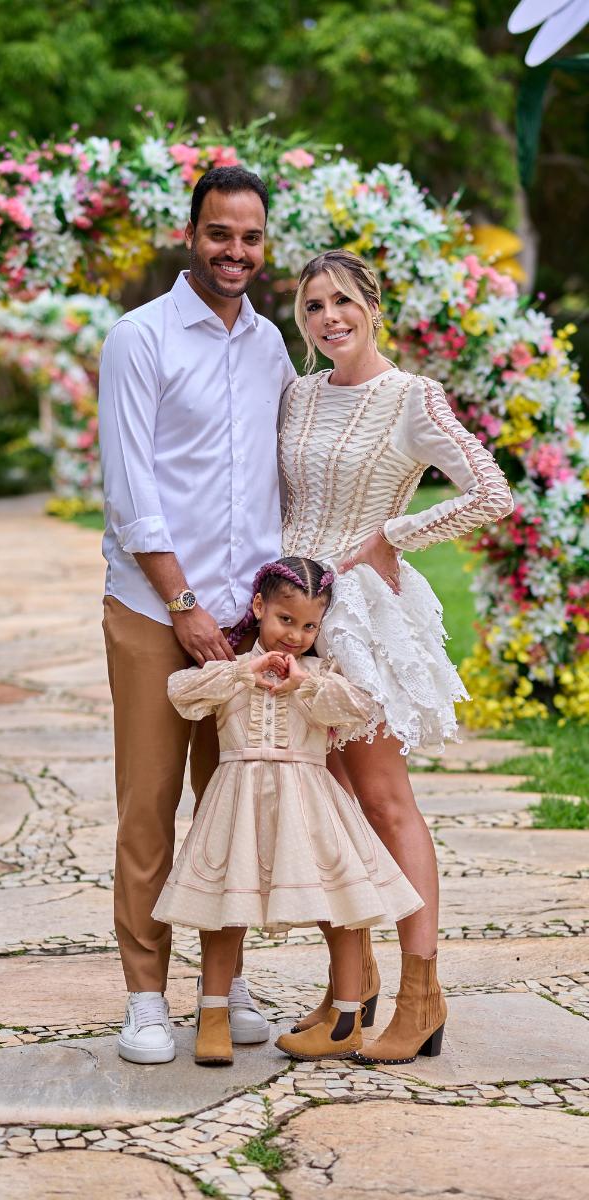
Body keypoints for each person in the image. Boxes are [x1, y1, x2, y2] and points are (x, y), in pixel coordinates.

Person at [279, 248, 514, 1064]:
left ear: (372, 305)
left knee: (382, 804)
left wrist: (395, 535)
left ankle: (423, 993)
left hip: (359, 626)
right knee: (321, 808)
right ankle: (352, 992)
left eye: (342, 300)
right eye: (313, 307)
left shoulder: (411, 397)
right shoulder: (298, 395)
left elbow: (491, 491)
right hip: (291, 624)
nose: (329, 317)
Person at [99, 166, 297, 1064]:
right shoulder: (138, 339)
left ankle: (225, 986)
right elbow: (131, 488)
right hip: (153, 613)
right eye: (221, 234)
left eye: (250, 238)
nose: (236, 253)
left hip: (246, 630)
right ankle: (147, 995)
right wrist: (181, 604)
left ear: (265, 244)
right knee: (149, 807)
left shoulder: (271, 350)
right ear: (192, 234)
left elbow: (287, 475)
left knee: (235, 808)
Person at [152, 557, 423, 1066]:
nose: (295, 635)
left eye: (309, 626)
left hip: (308, 806)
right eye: (285, 620)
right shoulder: (232, 671)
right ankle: (213, 1018)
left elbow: (360, 706)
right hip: (239, 802)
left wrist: (304, 683)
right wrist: (242, 671)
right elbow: (180, 693)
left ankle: (345, 1020)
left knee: (340, 909)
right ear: (259, 608)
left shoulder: (319, 674)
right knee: (226, 910)